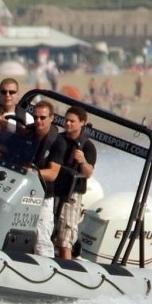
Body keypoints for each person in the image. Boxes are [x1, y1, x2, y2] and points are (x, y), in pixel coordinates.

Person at [53, 106, 97, 260]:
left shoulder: (87, 146)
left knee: (66, 235)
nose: (68, 124)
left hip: (72, 194)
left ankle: (67, 266)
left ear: (82, 123)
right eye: (66, 120)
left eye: (72, 121)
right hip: (53, 190)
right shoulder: (58, 139)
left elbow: (88, 173)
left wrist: (82, 161)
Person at [25, 101, 64, 258]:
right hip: (21, 190)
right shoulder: (27, 132)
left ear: (51, 118)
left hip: (43, 195)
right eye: (35, 117)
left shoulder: (58, 142)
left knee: (41, 238)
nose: (38, 121)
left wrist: (31, 171)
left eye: (42, 117)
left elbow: (52, 173)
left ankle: (47, 267)